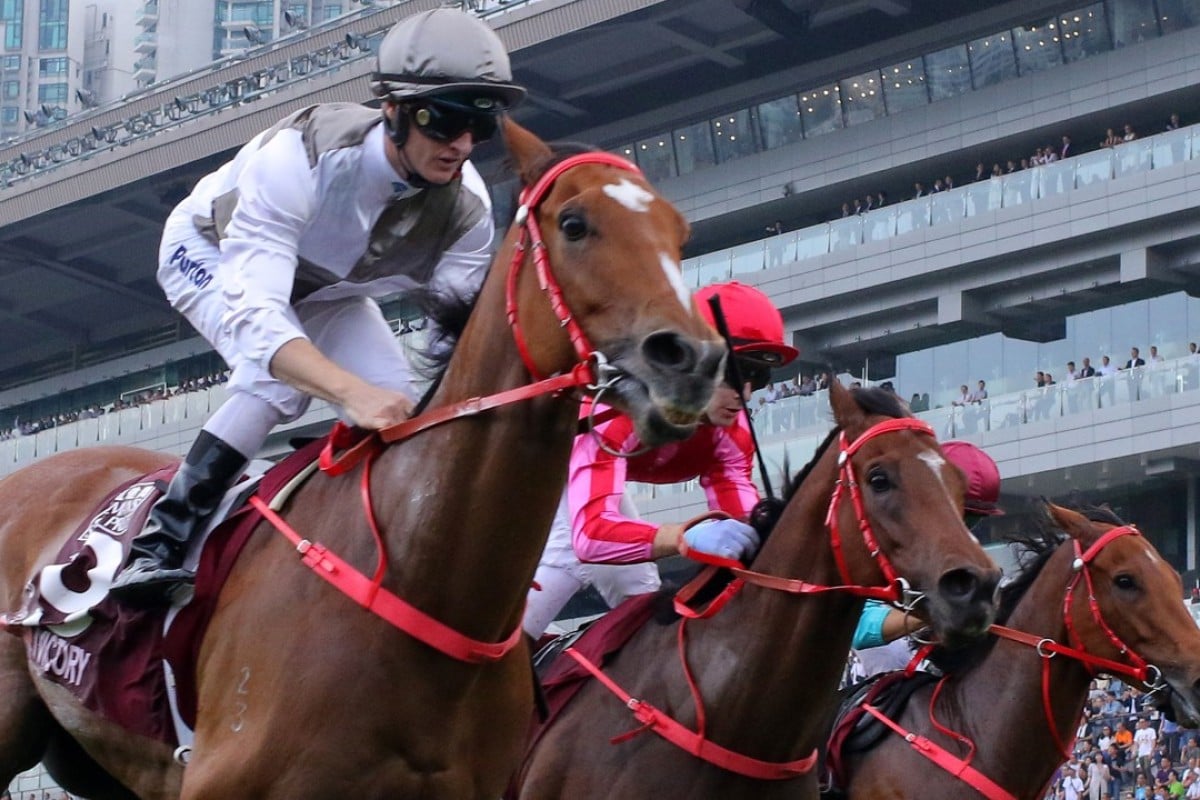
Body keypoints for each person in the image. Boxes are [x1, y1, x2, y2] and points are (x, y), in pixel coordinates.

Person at [109, 8, 527, 603]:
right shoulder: (298, 157)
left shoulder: (468, 212)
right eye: (445, 121)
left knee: (402, 405)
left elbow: (451, 349)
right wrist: (349, 394)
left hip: (331, 291)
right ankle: (159, 544)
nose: (461, 144)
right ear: (395, 111)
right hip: (208, 253)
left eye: (480, 127)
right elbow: (260, 322)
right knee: (279, 384)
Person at [521, 281, 799, 639]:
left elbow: (743, 531)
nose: (744, 394)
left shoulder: (733, 432)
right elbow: (590, 535)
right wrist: (683, 536)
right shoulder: (617, 408)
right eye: (736, 373)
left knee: (642, 602)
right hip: (535, 469)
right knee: (569, 561)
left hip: (582, 489)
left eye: (758, 378)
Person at [848, 440, 1004, 677]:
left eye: (975, 520)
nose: (966, 528)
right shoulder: (885, 539)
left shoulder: (964, 554)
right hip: (872, 686)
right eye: (965, 515)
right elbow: (861, 629)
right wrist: (944, 609)